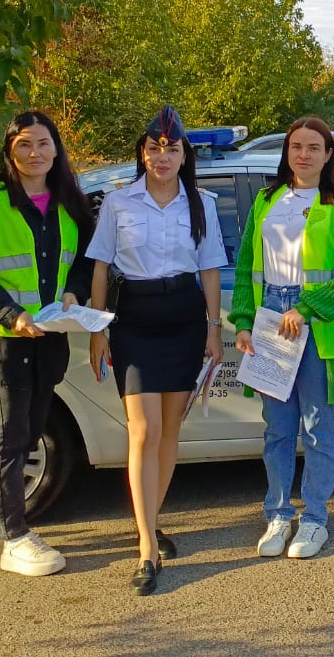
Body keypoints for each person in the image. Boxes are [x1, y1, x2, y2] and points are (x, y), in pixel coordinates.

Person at [85, 104, 227, 595]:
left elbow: (209, 268)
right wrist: (98, 329)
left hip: (185, 319)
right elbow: (101, 266)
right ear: (142, 154)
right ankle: (146, 548)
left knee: (171, 429)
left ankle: (151, 519)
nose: (162, 156)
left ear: (185, 153)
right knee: (143, 431)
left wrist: (214, 329)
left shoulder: (201, 204)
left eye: (172, 148)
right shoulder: (120, 203)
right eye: (154, 148)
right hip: (136, 322)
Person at [0, 111, 94, 576]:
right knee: (9, 440)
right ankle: (15, 539)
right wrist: (12, 316)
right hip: (0, 341)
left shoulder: (70, 202)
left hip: (48, 338)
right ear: (10, 150)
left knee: (25, 436)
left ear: (57, 149)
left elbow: (87, 262)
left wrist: (76, 291)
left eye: (44, 144)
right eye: (25, 145)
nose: (35, 153)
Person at [229, 116, 334, 560]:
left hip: (316, 321)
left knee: (317, 426)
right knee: (278, 428)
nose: (303, 154)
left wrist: (306, 307)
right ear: (286, 153)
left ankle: (314, 520)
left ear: (329, 155)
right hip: (272, 316)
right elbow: (246, 265)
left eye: (313, 147)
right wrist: (244, 320)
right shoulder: (267, 200)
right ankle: (277, 513)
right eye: (295, 147)